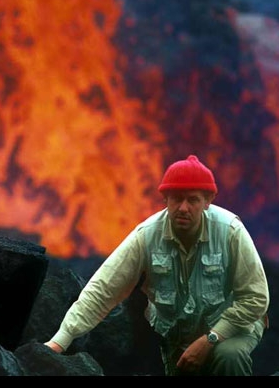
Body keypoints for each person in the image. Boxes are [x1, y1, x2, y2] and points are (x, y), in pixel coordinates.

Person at [44, 154, 270, 376]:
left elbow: (256, 298)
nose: (183, 208)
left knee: (229, 357)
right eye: (176, 198)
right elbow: (103, 289)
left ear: (208, 201)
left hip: (233, 329)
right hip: (179, 339)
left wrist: (211, 338)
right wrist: (59, 341)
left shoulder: (230, 231)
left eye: (192, 200)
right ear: (165, 199)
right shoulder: (147, 235)